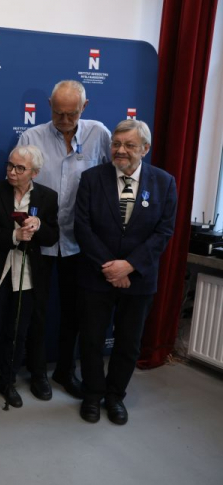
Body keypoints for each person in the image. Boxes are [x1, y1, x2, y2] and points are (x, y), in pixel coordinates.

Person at [74, 119, 176, 425]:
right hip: (97, 275)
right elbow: (82, 227)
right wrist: (110, 267)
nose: (120, 150)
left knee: (129, 342)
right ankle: (92, 394)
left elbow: (164, 231)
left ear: (145, 149)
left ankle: (115, 396)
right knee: (91, 339)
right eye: (116, 144)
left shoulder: (164, 182)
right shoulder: (92, 178)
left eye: (129, 145)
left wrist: (129, 265)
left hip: (139, 278)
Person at [17, 80, 112, 401]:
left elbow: (111, 181)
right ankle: (38, 373)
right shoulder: (32, 137)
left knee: (75, 312)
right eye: (58, 113)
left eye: (71, 114)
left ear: (84, 107)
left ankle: (65, 370)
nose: (64, 120)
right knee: (38, 312)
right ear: (49, 105)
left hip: (81, 242)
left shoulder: (99, 133)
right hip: (41, 241)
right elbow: (19, 184)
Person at [0, 145, 58, 409]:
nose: (12, 171)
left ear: (34, 172)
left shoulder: (47, 197)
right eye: (10, 165)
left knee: (18, 333)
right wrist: (13, 236)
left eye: (19, 168)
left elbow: (53, 236)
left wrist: (39, 226)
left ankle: (7, 382)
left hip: (28, 277)